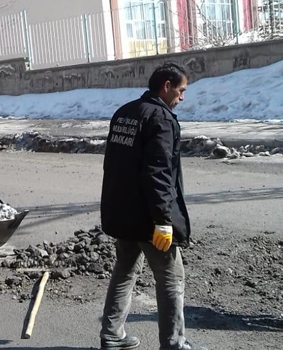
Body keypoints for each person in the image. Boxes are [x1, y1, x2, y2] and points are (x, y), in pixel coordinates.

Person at [99, 62, 205, 350]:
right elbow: (158, 173)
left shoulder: (124, 112)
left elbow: (113, 166)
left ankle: (111, 335)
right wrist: (163, 220)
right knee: (171, 279)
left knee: (125, 271)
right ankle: (174, 343)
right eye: (181, 90)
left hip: (123, 213)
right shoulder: (161, 119)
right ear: (166, 86)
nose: (182, 97)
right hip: (149, 217)